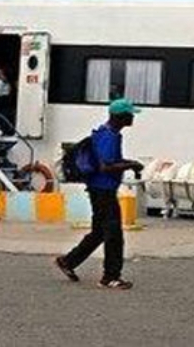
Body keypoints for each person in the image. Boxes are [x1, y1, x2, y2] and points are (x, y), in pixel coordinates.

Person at [54, 98, 141, 290]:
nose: (133, 117)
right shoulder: (109, 136)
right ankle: (110, 277)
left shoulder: (105, 133)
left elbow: (110, 161)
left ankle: (69, 261)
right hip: (103, 190)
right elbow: (106, 166)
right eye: (130, 114)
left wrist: (129, 163)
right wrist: (132, 165)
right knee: (114, 235)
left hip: (98, 188)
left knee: (100, 232)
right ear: (120, 116)